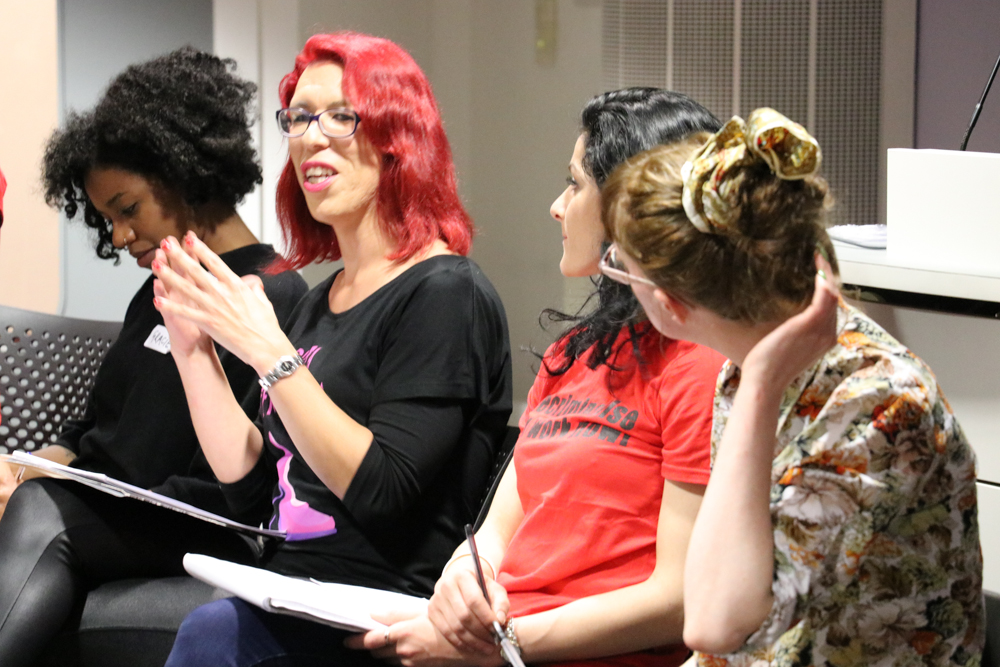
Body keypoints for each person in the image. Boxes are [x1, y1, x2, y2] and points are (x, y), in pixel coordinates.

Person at [157, 32, 512, 667]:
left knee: (211, 634)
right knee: (212, 625)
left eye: (340, 115)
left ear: (397, 136)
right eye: (297, 117)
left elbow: (383, 489)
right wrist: (194, 352)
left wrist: (268, 352)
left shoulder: (445, 292)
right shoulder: (318, 303)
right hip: (292, 589)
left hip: (382, 612)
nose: (311, 136)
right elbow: (256, 493)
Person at [348, 88, 727, 667]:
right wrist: (460, 583)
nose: (557, 205)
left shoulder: (698, 363)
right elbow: (495, 533)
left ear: (631, 208)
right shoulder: (575, 353)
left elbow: (677, 599)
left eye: (575, 185)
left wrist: (501, 646)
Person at [604, 108, 984, 666]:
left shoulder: (878, 403)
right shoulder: (747, 366)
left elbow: (714, 624)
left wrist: (760, 385)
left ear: (667, 302)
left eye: (621, 265)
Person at [0, 47, 308, 667]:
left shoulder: (269, 296)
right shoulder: (158, 291)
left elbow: (230, 486)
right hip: (104, 509)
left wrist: (55, 492)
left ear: (184, 173)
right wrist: (30, 468)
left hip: (189, 522)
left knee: (42, 511)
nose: (116, 236)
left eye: (127, 210)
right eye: (107, 218)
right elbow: (92, 432)